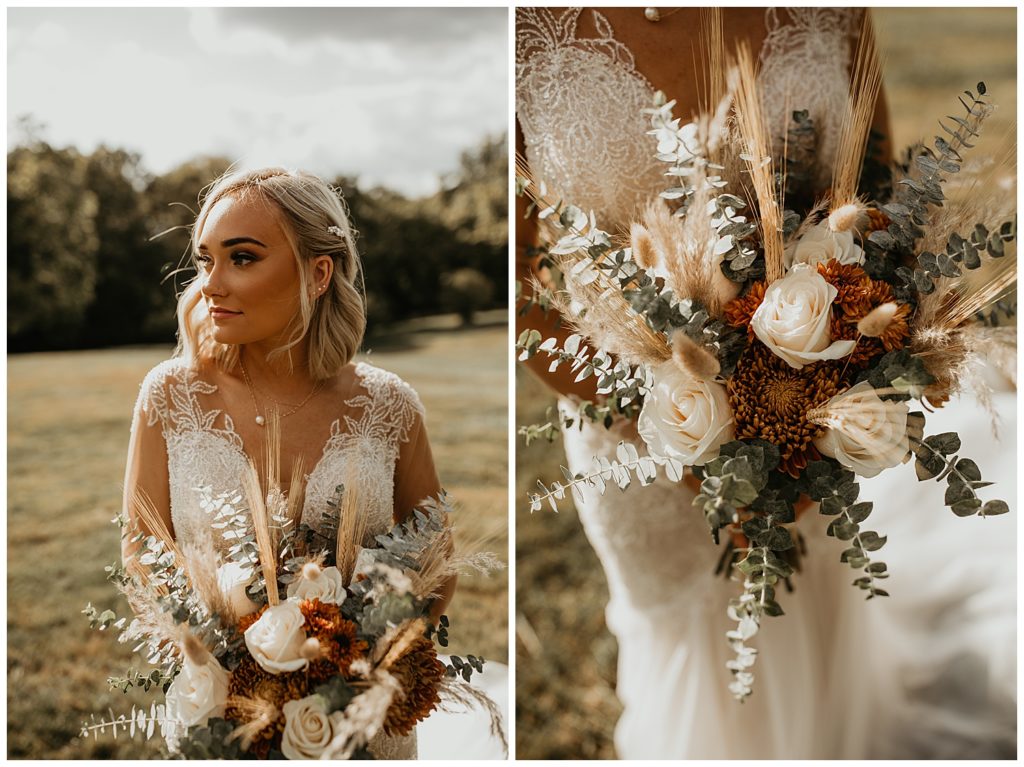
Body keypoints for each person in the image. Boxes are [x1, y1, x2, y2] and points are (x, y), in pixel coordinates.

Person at [516, 7, 1015, 759]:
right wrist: (700, 450)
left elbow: (876, 195)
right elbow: (523, 297)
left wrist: (823, 394)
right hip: (634, 429)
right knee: (693, 632)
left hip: (821, 408)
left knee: (812, 599)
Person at [122, 167, 454, 760]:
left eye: (242, 258)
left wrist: (355, 668)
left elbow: (437, 562)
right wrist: (222, 667)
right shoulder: (170, 395)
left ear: (318, 272)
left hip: (359, 728)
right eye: (205, 261)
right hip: (218, 721)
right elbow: (142, 548)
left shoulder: (389, 405)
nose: (211, 285)